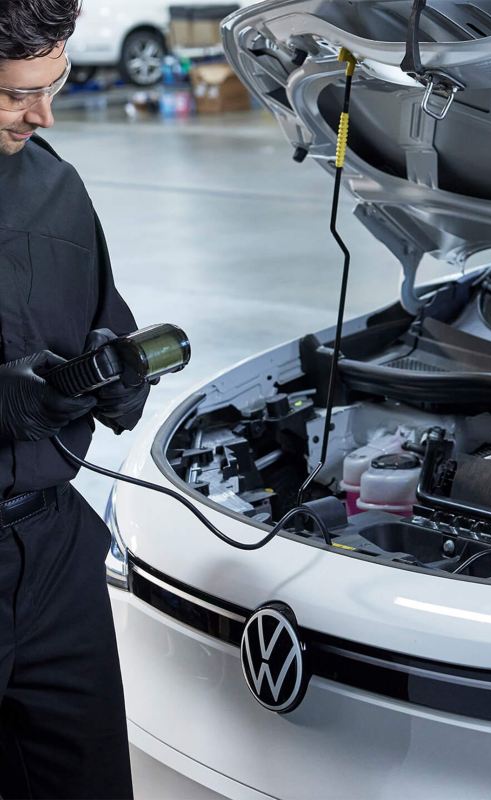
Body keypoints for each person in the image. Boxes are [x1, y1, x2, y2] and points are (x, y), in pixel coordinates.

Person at [0, 1, 149, 797]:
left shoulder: (58, 186)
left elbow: (104, 325)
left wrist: (120, 378)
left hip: (54, 551)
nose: (45, 112)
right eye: (17, 93)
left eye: (53, 82)